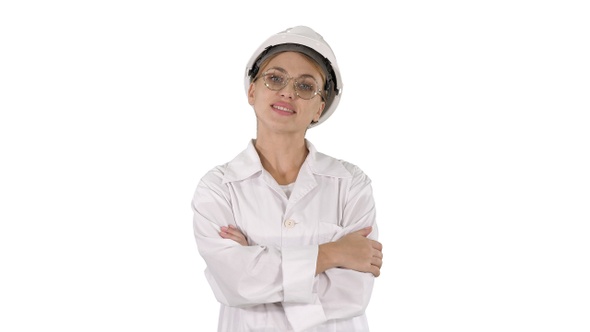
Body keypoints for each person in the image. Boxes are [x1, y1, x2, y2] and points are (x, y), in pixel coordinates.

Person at [191, 26, 383, 332]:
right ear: (252, 91)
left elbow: (353, 294)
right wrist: (332, 253)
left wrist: (257, 273)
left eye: (306, 86)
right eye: (275, 78)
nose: (288, 92)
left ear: (319, 108)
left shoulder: (350, 184)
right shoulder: (217, 188)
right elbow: (236, 284)